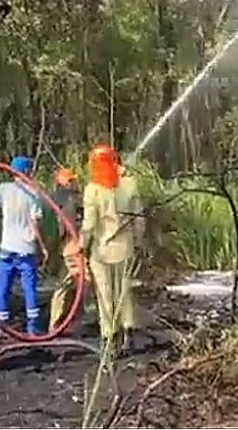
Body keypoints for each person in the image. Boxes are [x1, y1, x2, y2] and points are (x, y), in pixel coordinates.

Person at [80, 144, 144, 353]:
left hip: (101, 252)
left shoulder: (93, 190)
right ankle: (128, 334)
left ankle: (110, 339)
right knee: (124, 292)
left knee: (104, 294)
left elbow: (89, 224)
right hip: (125, 249)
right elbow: (138, 219)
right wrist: (139, 241)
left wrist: (81, 245)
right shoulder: (129, 185)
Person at [0, 156, 48, 334]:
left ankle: (1, 328)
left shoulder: (4, 190)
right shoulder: (33, 194)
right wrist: (42, 246)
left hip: (7, 248)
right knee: (29, 290)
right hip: (26, 249)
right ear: (27, 172)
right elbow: (34, 224)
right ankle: (32, 329)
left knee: (2, 289)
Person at [48, 168, 82, 329]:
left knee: (71, 283)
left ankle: (64, 320)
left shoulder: (62, 197)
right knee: (74, 282)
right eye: (69, 181)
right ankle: (58, 323)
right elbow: (66, 225)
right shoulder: (65, 199)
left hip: (67, 245)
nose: (72, 183)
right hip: (71, 246)